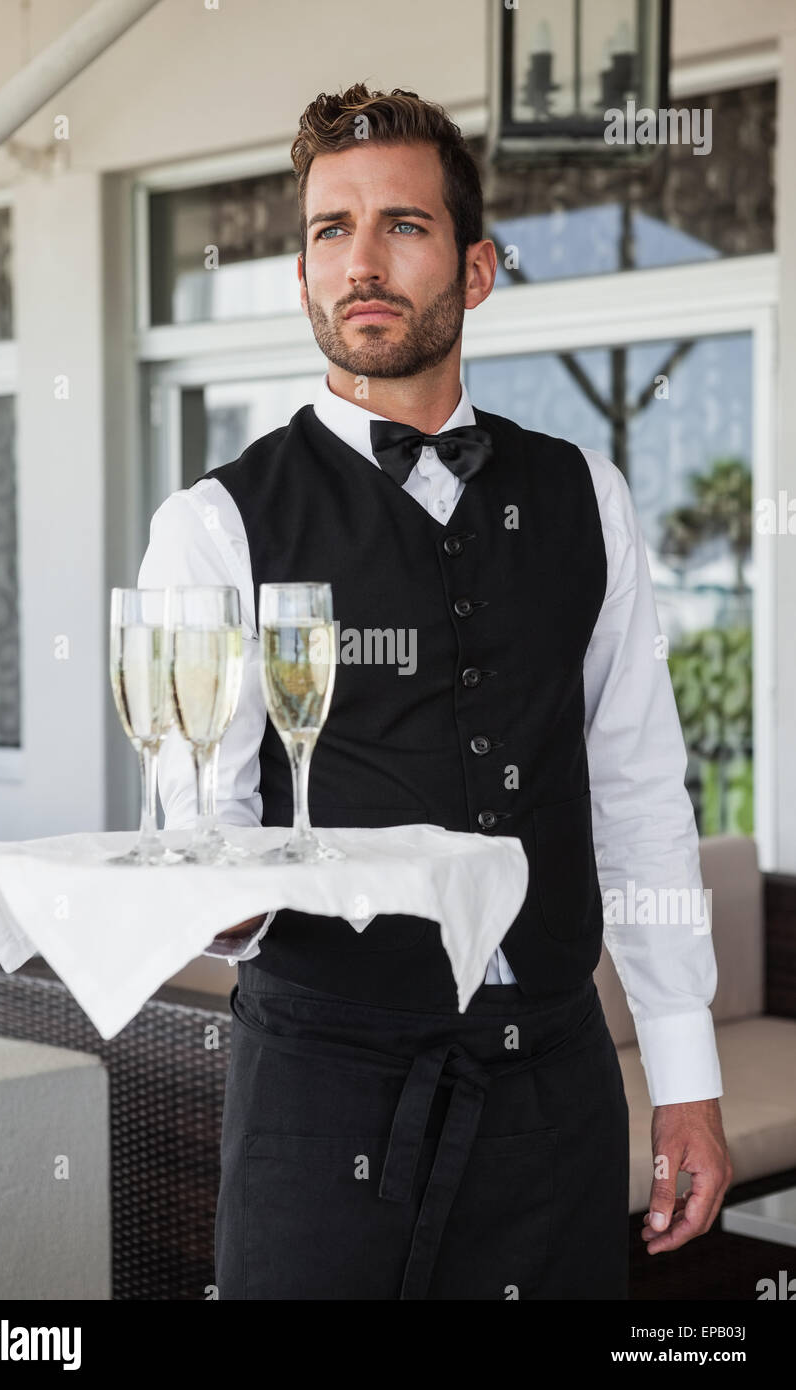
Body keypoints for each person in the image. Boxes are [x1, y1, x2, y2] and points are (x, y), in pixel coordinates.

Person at [138, 83, 733, 1300]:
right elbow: (204, 830)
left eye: (399, 227)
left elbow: (634, 796)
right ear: (302, 273)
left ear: (474, 272)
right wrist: (203, 892)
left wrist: (684, 1069)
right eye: (327, 230)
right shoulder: (211, 526)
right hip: (323, 1086)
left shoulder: (588, 497)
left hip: (554, 1086)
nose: (358, 260)